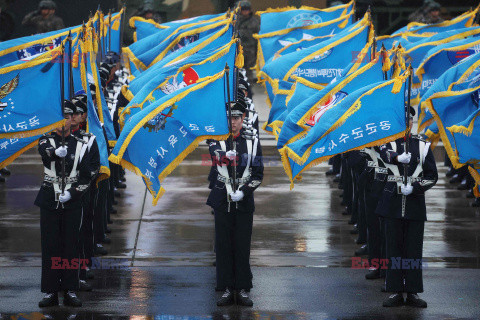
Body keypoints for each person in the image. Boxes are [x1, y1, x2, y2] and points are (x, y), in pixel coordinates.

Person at [376, 107, 438, 308]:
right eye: (403, 120)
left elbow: (432, 176)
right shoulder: (387, 143)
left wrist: (417, 187)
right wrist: (396, 158)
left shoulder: (422, 145)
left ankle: (412, 291)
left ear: (412, 122)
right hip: (392, 202)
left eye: (409, 120)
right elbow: (383, 155)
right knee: (394, 248)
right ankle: (394, 290)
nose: (407, 123)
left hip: (414, 203)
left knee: (413, 249)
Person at [35, 101, 94, 308]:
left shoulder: (80, 144)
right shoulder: (45, 140)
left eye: (68, 117)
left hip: (70, 200)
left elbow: (86, 176)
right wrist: (54, 153)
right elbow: (44, 154)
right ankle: (51, 290)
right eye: (60, 117)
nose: (64, 121)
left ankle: (70, 289)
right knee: (50, 245)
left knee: (71, 244)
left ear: (72, 120)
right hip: (50, 198)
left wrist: (73, 193)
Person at [207, 98, 263, 307]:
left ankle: (242, 287)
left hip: (243, 201)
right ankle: (226, 287)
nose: (233, 122)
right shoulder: (216, 139)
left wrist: (246, 191)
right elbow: (214, 157)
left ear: (243, 118)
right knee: (223, 245)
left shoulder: (253, 142)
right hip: (222, 199)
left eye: (237, 118)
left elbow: (258, 173)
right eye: (229, 118)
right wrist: (224, 157)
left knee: (242, 245)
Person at [235, 1, 260, 83]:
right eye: (243, 9)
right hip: (238, 49)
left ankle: (248, 91)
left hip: (250, 50)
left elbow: (258, 36)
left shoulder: (254, 21)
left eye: (247, 9)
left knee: (248, 71)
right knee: (237, 70)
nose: (245, 11)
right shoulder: (236, 21)